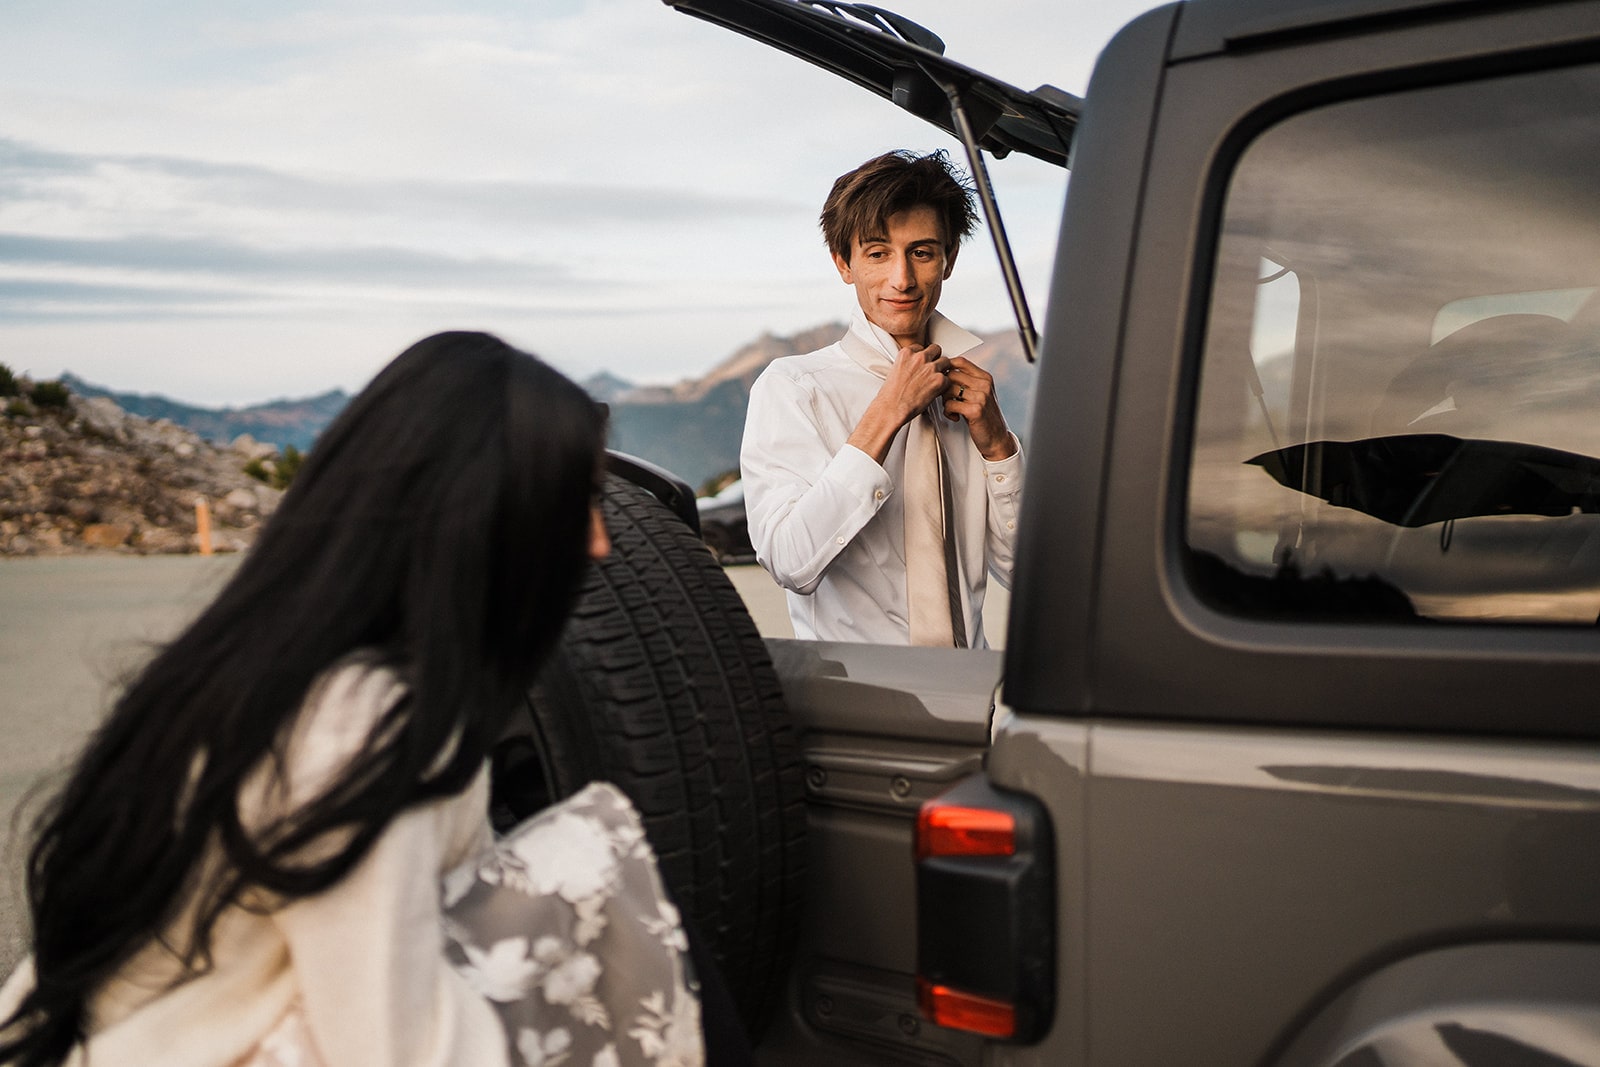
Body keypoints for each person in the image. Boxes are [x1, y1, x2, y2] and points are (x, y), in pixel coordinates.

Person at [0, 332, 710, 1067]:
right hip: (205, 1043)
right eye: (580, 504)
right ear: (482, 512)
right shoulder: (362, 719)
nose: (600, 544)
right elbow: (390, 1048)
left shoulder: (287, 658)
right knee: (603, 862)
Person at [740, 150, 1024, 646]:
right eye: (877, 253)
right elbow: (789, 562)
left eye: (921, 252)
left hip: (972, 695)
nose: (902, 279)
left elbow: (1023, 571)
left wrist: (999, 445)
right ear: (844, 264)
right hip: (859, 699)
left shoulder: (970, 393)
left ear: (948, 260)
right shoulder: (793, 388)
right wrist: (885, 415)